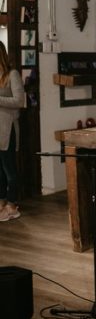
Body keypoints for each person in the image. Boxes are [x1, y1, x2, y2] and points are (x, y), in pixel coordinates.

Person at [0, 41, 25, 222]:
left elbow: (19, 101)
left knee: (9, 169)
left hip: (7, 129)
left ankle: (12, 205)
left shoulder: (12, 74)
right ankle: (1, 202)